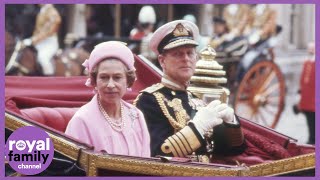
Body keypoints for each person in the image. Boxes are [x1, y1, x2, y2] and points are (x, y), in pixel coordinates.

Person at [134, 20, 245, 158]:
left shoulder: (196, 99)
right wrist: (197, 128)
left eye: (190, 53)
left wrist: (232, 124)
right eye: (178, 54)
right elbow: (158, 154)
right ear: (162, 61)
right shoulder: (149, 100)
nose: (186, 59)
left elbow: (232, 150)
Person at [65, 41, 150, 157]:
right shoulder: (82, 120)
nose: (110, 84)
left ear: (128, 81)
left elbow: (147, 164)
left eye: (117, 77)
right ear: (94, 81)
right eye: (104, 77)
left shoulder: (136, 115)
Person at [22, 4, 61, 76]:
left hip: (49, 43)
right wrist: (31, 40)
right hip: (38, 42)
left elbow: (48, 31)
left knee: (43, 58)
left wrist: (32, 40)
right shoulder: (42, 11)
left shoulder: (53, 12)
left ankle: (50, 79)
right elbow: (38, 30)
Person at [293, 42, 315, 144]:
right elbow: (302, 81)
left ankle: (312, 140)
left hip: (313, 100)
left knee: (313, 120)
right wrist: (299, 97)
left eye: (312, 49)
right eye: (309, 49)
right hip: (306, 99)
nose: (310, 51)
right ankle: (311, 139)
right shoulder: (306, 62)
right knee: (309, 120)